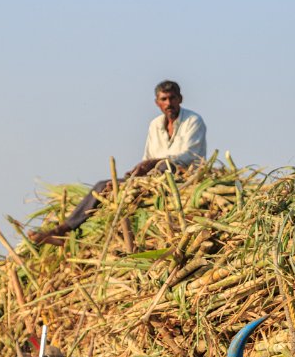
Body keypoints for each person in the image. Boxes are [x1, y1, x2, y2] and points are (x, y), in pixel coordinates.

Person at [32, 80, 207, 243]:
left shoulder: (193, 121)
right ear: (157, 103)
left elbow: (188, 156)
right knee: (102, 185)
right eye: (164, 99)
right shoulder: (155, 125)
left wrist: (154, 163)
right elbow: (147, 157)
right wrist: (139, 170)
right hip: (152, 180)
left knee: (163, 165)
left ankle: (133, 189)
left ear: (180, 99)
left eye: (172, 98)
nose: (169, 103)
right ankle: (64, 228)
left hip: (183, 177)